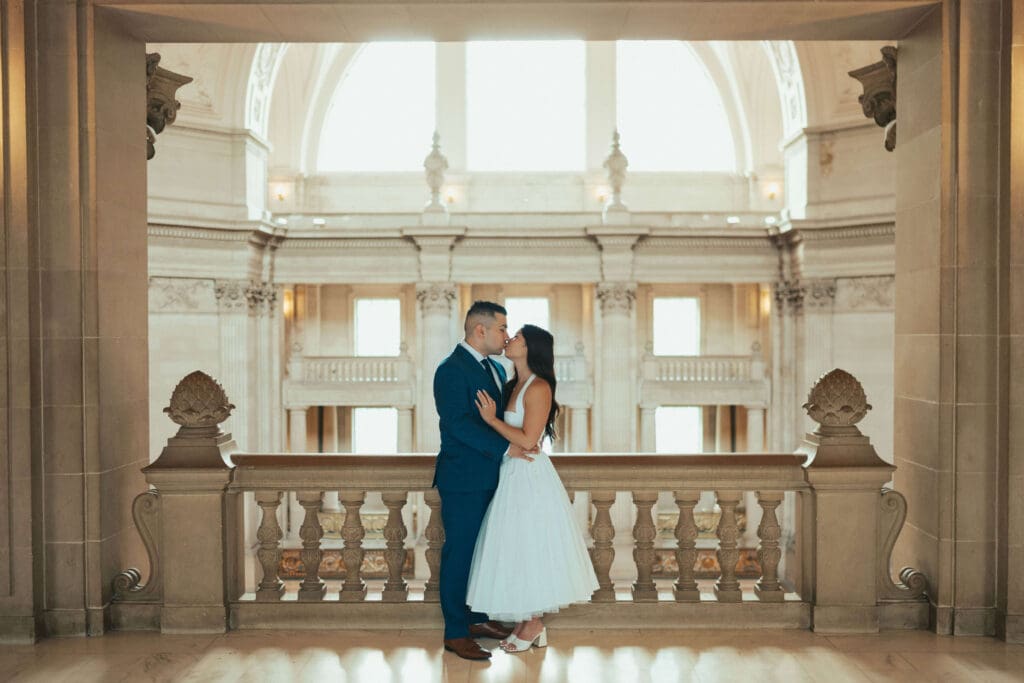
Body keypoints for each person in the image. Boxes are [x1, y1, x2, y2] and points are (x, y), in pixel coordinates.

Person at [466, 324, 599, 653]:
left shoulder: (538, 387)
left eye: (519, 338)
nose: (510, 339)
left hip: (528, 475)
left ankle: (535, 622)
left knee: (532, 544)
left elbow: (528, 439)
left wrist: (491, 420)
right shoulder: (513, 383)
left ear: (531, 348)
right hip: (511, 471)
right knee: (518, 546)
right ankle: (528, 623)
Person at [432, 301, 537, 661]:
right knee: (459, 553)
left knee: (482, 552)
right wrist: (507, 450)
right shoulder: (450, 370)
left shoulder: (493, 366)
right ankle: (456, 632)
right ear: (481, 330)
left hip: (494, 478)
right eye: (502, 328)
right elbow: (458, 425)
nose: (506, 335)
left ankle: (476, 619)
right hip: (463, 478)